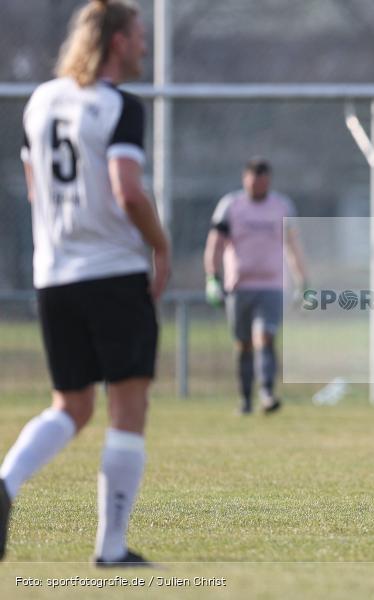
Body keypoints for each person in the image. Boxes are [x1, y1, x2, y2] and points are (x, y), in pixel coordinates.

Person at [0, 0, 169, 566]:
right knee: (128, 406)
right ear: (118, 41)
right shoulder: (118, 106)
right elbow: (126, 188)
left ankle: (6, 480)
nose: (143, 44)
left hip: (54, 274)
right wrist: (160, 245)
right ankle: (111, 547)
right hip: (113, 271)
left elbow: (32, 184)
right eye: (139, 34)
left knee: (70, 405)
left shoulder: (42, 99)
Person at [203, 158, 308, 415]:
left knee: (266, 337)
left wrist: (302, 280)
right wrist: (212, 278)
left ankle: (267, 393)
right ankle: (245, 399)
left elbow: (293, 247)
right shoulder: (231, 206)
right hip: (238, 287)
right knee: (243, 344)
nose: (258, 187)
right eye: (253, 182)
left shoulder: (282, 206)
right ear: (245, 179)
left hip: (271, 285)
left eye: (263, 182)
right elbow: (215, 244)